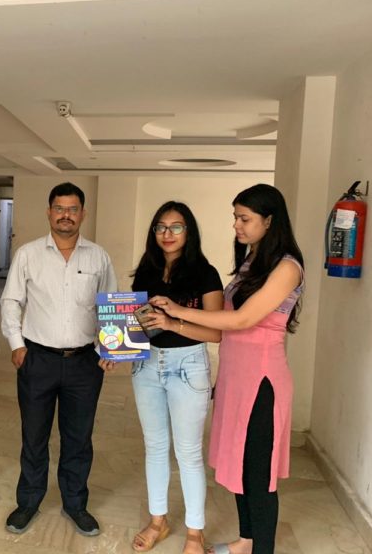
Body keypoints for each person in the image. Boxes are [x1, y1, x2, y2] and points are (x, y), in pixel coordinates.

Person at [151, 184, 304, 554]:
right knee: (239, 465)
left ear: (269, 221)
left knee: (258, 474)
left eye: (244, 218)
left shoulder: (287, 267)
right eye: (236, 217)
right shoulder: (253, 261)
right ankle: (246, 541)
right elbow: (227, 323)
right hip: (235, 377)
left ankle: (261, 548)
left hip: (262, 381)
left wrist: (179, 312)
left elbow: (243, 319)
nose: (236, 225)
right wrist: (174, 321)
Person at [1, 182, 117, 537]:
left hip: (84, 363)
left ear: (83, 213)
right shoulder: (28, 254)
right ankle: (28, 502)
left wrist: (110, 348)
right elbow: (11, 300)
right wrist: (17, 344)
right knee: (34, 436)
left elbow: (110, 303)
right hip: (38, 359)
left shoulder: (98, 257)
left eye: (73, 209)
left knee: (78, 438)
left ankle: (75, 504)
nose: (66, 215)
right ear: (49, 212)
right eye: (59, 208)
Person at [119, 202, 223, 554]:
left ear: (188, 232)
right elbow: (136, 324)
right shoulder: (146, 272)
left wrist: (172, 322)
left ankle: (195, 533)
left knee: (189, 452)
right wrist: (115, 349)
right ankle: (158, 521)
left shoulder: (205, 273)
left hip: (188, 366)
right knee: (155, 447)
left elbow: (216, 332)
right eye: (161, 227)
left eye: (176, 227)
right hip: (147, 365)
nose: (167, 234)